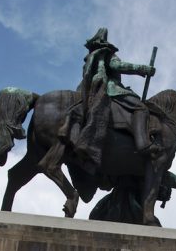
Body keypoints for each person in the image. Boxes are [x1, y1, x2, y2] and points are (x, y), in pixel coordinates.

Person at [67, 27, 160, 170]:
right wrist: (143, 69)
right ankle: (144, 144)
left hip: (96, 88)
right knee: (141, 107)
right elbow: (117, 66)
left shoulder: (92, 56)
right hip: (111, 89)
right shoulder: (108, 54)